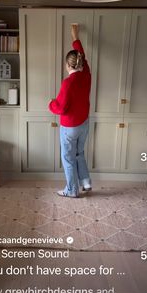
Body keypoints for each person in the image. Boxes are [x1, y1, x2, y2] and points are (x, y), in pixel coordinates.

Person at [49, 24, 92, 197]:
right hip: (84, 124)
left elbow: (60, 108)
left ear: (68, 65)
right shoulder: (86, 74)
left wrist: (50, 103)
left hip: (70, 127)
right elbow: (82, 55)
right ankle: (86, 183)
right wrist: (75, 37)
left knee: (68, 158)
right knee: (79, 153)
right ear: (81, 62)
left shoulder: (68, 83)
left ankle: (72, 190)